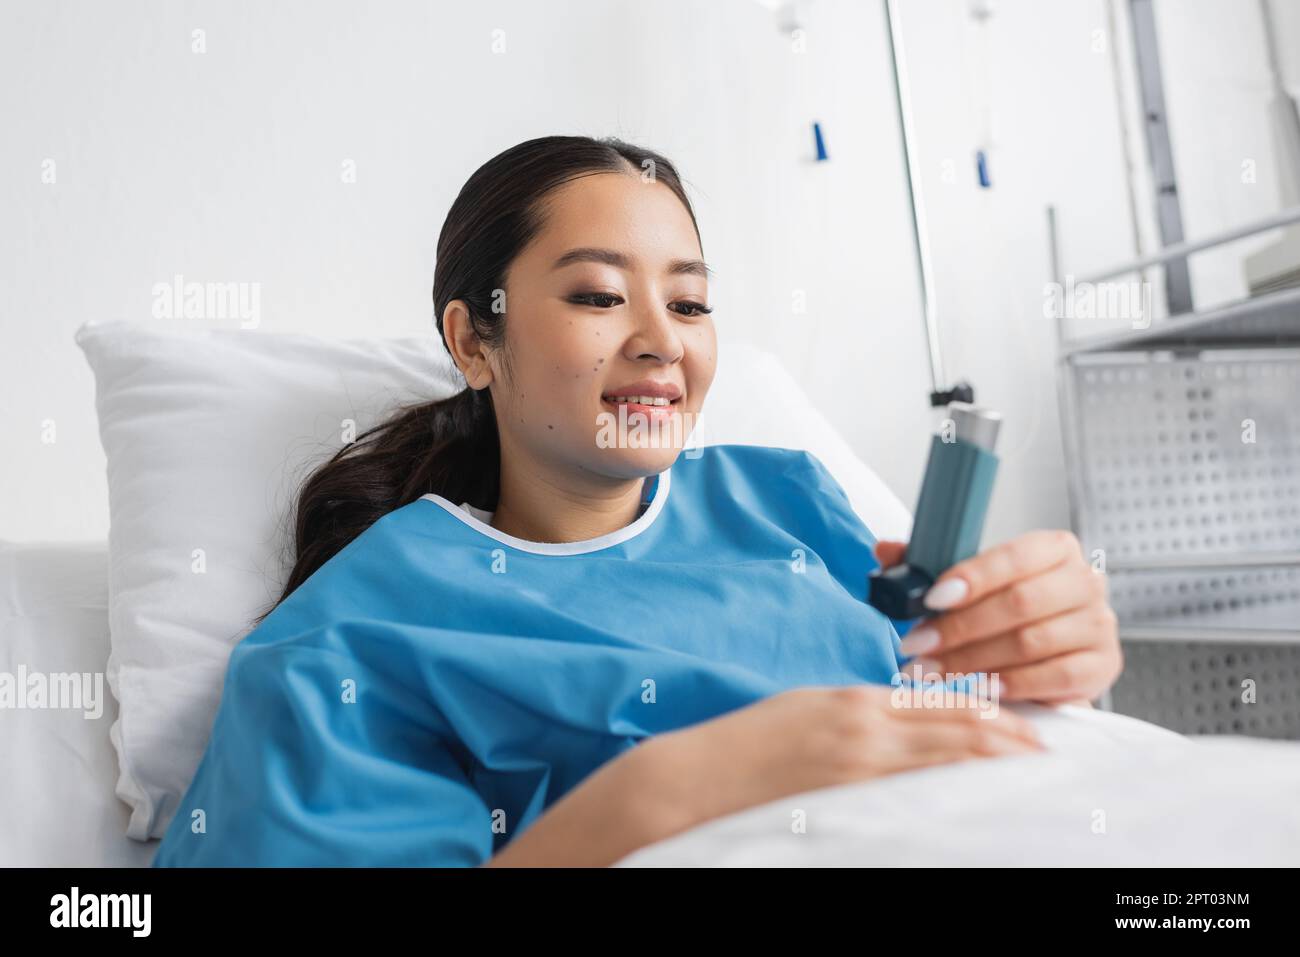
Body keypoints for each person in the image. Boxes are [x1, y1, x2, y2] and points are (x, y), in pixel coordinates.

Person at [153, 135, 1122, 868]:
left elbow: (951, 704)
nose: (663, 341)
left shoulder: (785, 507)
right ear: (473, 342)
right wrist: (666, 790)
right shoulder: (351, 640)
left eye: (690, 304)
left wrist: (1042, 648)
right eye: (597, 296)